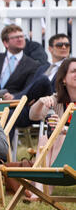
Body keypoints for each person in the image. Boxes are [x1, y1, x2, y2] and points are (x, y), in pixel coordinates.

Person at [26, 57, 76, 202]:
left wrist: (63, 128)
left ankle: (43, 189)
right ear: (64, 79)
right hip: (62, 150)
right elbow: (33, 116)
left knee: (59, 137)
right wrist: (41, 102)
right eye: (74, 71)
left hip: (71, 151)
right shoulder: (58, 100)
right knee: (45, 138)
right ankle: (40, 192)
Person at [0, 25, 40, 100]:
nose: (20, 39)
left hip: (14, 106)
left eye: (22, 36)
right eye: (15, 37)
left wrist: (14, 97)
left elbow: (28, 90)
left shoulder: (33, 65)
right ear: (5, 43)